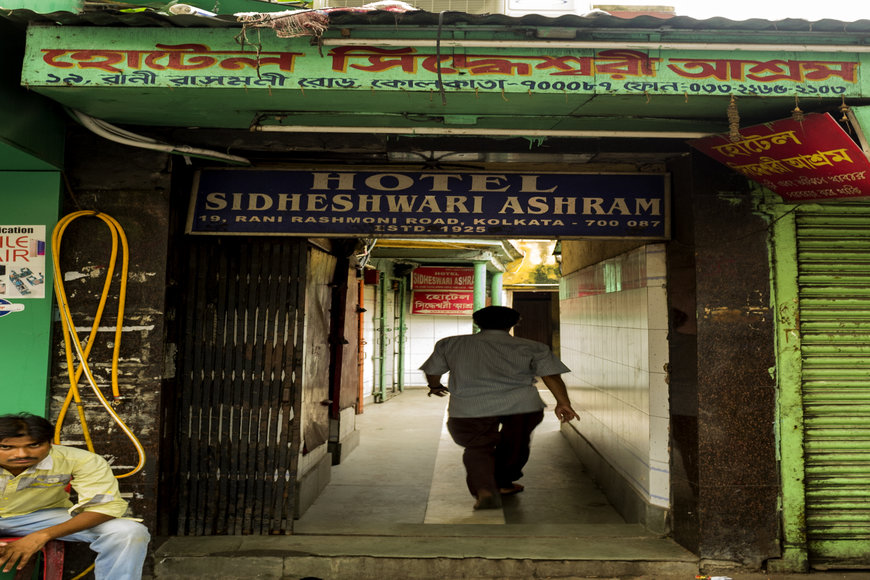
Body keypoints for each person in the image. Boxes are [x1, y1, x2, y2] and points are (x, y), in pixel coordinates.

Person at [420, 305, 579, 510]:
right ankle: (503, 483)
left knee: (478, 447)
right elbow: (550, 375)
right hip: (522, 405)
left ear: (477, 323)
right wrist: (563, 403)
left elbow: (433, 371)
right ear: (514, 323)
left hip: (470, 407)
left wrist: (434, 386)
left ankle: (485, 489)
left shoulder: (450, 344)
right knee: (516, 444)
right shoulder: (533, 347)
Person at [0, 413, 150, 578]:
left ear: (50, 443)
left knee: (128, 532)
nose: (21, 454)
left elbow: (104, 508)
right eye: (6, 447)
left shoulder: (80, 460)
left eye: (34, 445)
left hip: (39, 516)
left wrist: (42, 535)